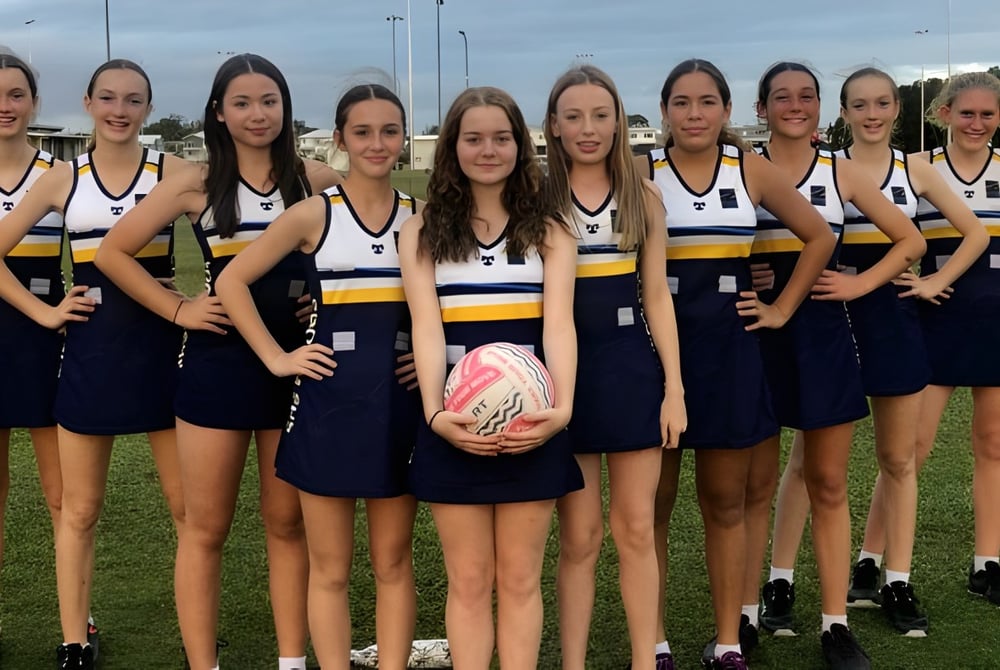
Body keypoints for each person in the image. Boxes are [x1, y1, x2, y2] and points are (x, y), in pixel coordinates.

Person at [95, 53, 341, 670]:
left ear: (286, 108)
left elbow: (354, 253)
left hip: (298, 367)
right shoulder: (194, 184)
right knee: (206, 528)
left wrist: (324, 292)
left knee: (287, 523)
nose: (257, 115)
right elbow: (112, 253)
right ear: (219, 113)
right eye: (242, 103)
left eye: (269, 101)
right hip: (218, 366)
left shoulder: (315, 179)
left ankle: (291, 661)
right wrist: (179, 310)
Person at [755, 66, 987, 640]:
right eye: (860, 105)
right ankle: (779, 580)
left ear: (897, 109)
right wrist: (758, 272)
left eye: (883, 103)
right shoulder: (823, 170)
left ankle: (894, 578)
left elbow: (967, 235)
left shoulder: (916, 170)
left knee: (899, 458)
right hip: (824, 319)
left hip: (889, 320)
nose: (874, 113)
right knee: (808, 461)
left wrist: (926, 281)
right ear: (843, 112)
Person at [214, 83, 420, 670]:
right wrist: (278, 359)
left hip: (397, 409)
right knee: (329, 567)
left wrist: (438, 362)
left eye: (388, 131)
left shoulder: (422, 220)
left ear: (403, 139)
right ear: (339, 140)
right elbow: (231, 283)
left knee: (394, 561)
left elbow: (445, 306)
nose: (376, 143)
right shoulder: (311, 214)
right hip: (327, 407)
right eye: (362, 132)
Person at [640, 58, 835, 670]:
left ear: (726, 111)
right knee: (652, 508)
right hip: (654, 354)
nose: (694, 114)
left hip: (730, 353)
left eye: (706, 102)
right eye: (681, 103)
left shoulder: (749, 167)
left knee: (724, 502)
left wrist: (779, 307)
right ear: (665, 110)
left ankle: (728, 642)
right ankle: (655, 641)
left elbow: (820, 236)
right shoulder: (639, 172)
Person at [0, 58, 188, 670]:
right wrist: (45, 312)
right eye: (107, 97)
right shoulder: (63, 180)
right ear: (86, 103)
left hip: (162, 350)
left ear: (149, 109)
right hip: (88, 352)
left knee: (186, 508)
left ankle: (198, 637)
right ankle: (74, 642)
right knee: (78, 508)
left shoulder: (176, 172)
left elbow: (271, 207)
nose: (119, 109)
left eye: (134, 99)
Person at [744, 62, 925, 668]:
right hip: (757, 339)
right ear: (762, 105)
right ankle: (747, 611)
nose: (794, 106)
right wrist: (753, 272)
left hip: (822, 341)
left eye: (807, 96)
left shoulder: (839, 171)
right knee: (754, 487)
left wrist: (857, 285)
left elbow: (911, 240)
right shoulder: (741, 169)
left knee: (827, 481)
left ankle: (835, 624)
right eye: (781, 97)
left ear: (821, 107)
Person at [398, 86, 583, 670]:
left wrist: (562, 411)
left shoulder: (551, 229)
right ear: (452, 147)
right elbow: (427, 330)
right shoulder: (422, 230)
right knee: (471, 579)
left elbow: (559, 328)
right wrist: (434, 415)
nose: (488, 150)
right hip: (455, 424)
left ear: (520, 145)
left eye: (501, 138)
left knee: (522, 578)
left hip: (533, 422)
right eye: (473, 138)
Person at [543, 65, 685, 670]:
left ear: (620, 120)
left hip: (631, 372)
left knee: (635, 531)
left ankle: (642, 659)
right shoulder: (536, 196)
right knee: (579, 539)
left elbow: (657, 296)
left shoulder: (642, 194)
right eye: (572, 116)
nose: (588, 128)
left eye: (601, 115)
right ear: (552, 124)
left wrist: (673, 389)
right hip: (561, 374)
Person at [909, 71, 1000, 605]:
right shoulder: (919, 170)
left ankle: (988, 562)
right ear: (943, 113)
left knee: (992, 445)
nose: (977, 123)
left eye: (987, 114)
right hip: (934, 325)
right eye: (967, 112)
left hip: (993, 324)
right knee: (910, 451)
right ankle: (874, 563)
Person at [0, 48, 64, 627]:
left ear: (34, 103)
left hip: (45, 342)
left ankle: (77, 620)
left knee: (63, 494)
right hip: (17, 328)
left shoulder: (57, 175)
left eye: (16, 94)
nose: (5, 106)